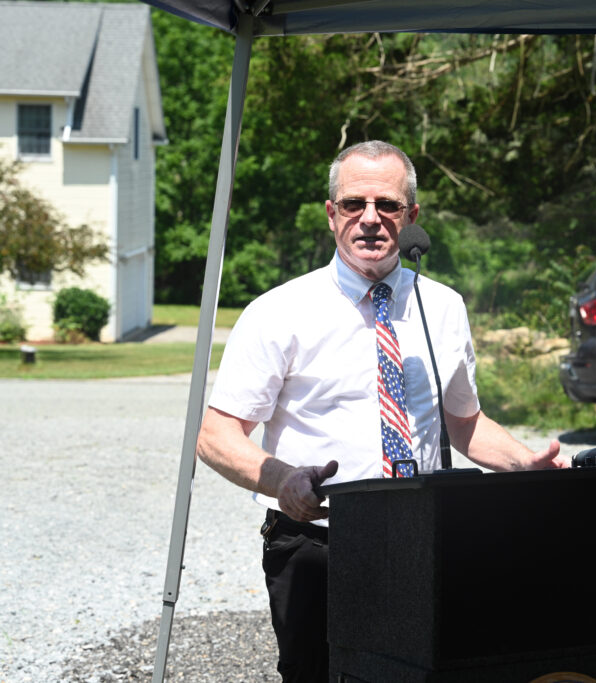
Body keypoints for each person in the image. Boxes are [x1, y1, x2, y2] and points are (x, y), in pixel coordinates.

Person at [196, 140, 567, 682]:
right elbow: (216, 435)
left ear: (411, 216)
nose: (370, 219)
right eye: (353, 204)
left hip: (426, 539)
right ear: (331, 215)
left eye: (387, 205)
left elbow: (464, 423)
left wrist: (523, 466)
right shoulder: (279, 311)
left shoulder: (443, 307)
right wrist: (283, 481)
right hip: (318, 541)